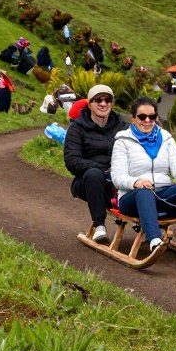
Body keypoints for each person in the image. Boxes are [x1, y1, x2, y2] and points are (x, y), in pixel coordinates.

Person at [111, 97, 176, 256]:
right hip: (133, 198)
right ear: (133, 119)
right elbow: (117, 176)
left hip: (161, 195)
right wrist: (136, 182)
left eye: (152, 117)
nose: (147, 121)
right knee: (145, 191)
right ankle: (154, 240)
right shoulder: (123, 141)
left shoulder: (165, 137)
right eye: (142, 117)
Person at [63, 84, 127, 242]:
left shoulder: (123, 126)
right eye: (98, 100)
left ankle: (150, 228)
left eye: (107, 100)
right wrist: (101, 169)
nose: (103, 104)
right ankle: (99, 226)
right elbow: (71, 161)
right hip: (87, 181)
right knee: (94, 174)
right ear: (90, 104)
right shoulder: (77, 128)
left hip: (118, 181)